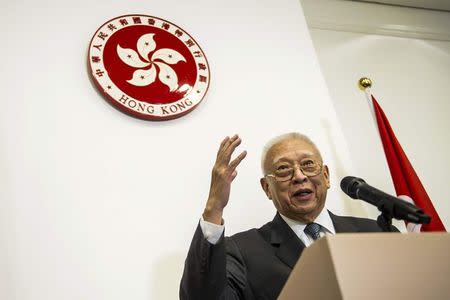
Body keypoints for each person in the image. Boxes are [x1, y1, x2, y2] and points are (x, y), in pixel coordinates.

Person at [180, 133, 396, 300]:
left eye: (308, 164)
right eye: (283, 169)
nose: (300, 176)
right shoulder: (242, 250)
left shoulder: (376, 232)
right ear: (267, 188)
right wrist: (214, 207)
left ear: (327, 176)